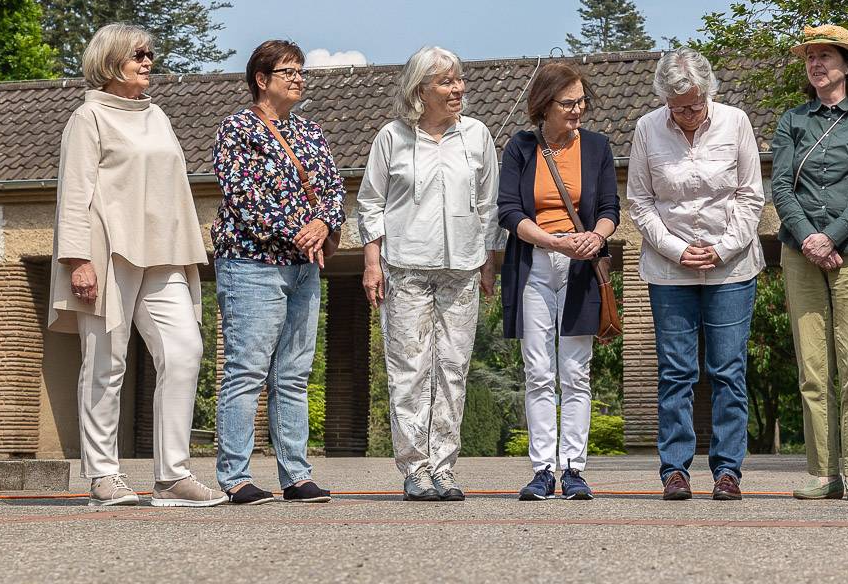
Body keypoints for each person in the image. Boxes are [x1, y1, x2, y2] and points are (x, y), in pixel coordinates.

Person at [49, 24, 225, 508]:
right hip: (106, 251)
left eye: (150, 54)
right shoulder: (89, 118)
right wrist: (77, 259)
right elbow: (74, 193)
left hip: (162, 250)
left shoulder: (158, 116)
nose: (148, 61)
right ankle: (103, 476)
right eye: (138, 55)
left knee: (185, 349)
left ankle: (172, 476)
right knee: (107, 361)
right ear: (111, 62)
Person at [358, 46, 502, 502]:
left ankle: (444, 467)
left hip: (461, 267)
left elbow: (488, 206)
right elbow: (370, 202)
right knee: (409, 369)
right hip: (405, 268)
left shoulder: (477, 136)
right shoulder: (392, 137)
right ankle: (416, 468)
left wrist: (488, 262)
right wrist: (370, 261)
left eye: (459, 80)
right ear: (421, 89)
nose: (458, 88)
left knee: (453, 369)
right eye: (446, 81)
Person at [211, 39, 346, 505]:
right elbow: (244, 196)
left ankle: (296, 474)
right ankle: (235, 476)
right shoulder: (237, 129)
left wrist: (323, 222)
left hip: (303, 269)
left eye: (300, 70)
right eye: (288, 71)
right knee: (246, 371)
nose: (298, 78)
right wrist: (299, 230)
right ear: (261, 79)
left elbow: (332, 187)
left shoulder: (311, 132)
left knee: (292, 374)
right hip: (251, 265)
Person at [627, 49, 765, 501]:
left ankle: (728, 471)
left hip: (731, 268)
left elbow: (750, 196)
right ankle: (675, 471)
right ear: (664, 98)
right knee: (676, 372)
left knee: (727, 370)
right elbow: (641, 203)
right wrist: (678, 249)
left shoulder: (735, 121)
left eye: (695, 104)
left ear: (709, 94)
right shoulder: (647, 128)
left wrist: (723, 249)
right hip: (670, 269)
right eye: (678, 105)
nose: (687, 113)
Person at [771, 25, 848, 501]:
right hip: (802, 255)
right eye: (810, 57)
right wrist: (809, 240)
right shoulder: (792, 121)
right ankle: (822, 471)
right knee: (813, 368)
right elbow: (780, 187)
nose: (816, 64)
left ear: (847, 65)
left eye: (826, 56)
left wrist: (833, 236)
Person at [498, 62, 619, 501]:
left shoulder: (598, 147)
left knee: (575, 372)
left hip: (582, 266)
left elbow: (610, 208)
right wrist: (552, 240)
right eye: (568, 103)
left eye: (582, 101)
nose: (578, 110)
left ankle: (573, 469)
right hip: (535, 263)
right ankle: (542, 469)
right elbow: (509, 212)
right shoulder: (521, 148)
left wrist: (593, 236)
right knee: (538, 371)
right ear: (544, 105)